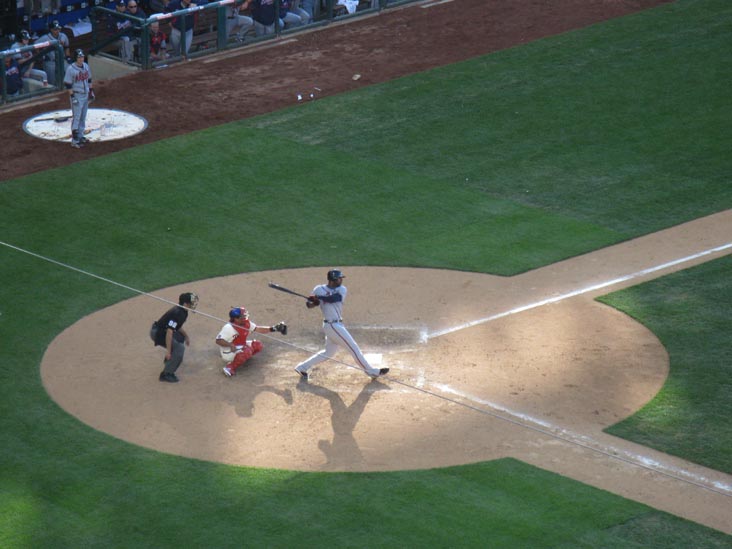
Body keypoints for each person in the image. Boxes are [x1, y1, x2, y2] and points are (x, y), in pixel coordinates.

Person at [294, 269, 389, 380]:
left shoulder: (342, 289)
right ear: (333, 279)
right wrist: (314, 302)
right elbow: (309, 305)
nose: (341, 280)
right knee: (354, 348)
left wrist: (319, 298)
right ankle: (371, 371)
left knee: (328, 353)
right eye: (339, 278)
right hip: (332, 325)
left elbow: (334, 298)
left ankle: (302, 367)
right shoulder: (318, 289)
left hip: (336, 325)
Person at [216, 307, 287, 377]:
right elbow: (218, 340)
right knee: (247, 351)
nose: (245, 317)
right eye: (243, 316)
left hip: (240, 345)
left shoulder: (246, 323)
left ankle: (241, 357)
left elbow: (258, 329)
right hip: (228, 351)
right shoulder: (229, 327)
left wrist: (273, 328)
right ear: (236, 319)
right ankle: (230, 367)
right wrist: (230, 345)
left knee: (257, 345)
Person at [150, 292, 198, 382]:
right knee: (180, 349)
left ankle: (170, 360)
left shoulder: (183, 311)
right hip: (158, 333)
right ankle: (166, 374)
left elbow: (177, 326)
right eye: (191, 303)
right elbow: (169, 332)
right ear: (185, 304)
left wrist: (186, 336)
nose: (192, 304)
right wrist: (168, 351)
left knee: (180, 337)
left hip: (162, 331)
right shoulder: (178, 313)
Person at [63, 49, 95, 149]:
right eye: (79, 57)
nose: (81, 59)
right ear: (75, 58)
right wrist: (72, 97)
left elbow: (89, 79)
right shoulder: (70, 69)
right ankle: (75, 141)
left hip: (85, 94)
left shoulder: (86, 66)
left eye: (82, 57)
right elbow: (68, 84)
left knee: (83, 117)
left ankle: (80, 136)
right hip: (77, 95)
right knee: (76, 118)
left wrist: (91, 91)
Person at [37, 21, 71, 85]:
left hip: (62, 60)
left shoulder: (63, 36)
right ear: (51, 30)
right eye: (55, 29)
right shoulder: (45, 38)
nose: (57, 31)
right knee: (52, 82)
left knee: (69, 76)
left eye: (58, 29)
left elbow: (67, 47)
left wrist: (68, 57)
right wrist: (42, 56)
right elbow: (35, 46)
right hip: (50, 62)